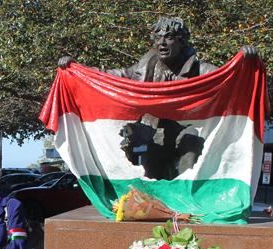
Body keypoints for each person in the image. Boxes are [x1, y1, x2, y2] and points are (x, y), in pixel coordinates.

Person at [58, 16, 260, 180]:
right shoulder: (143, 69)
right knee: (154, 175)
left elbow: (227, 78)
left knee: (189, 156)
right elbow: (113, 75)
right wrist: (78, 70)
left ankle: (186, 201)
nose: (162, 42)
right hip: (152, 130)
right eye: (158, 38)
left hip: (185, 127)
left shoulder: (200, 69)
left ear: (181, 41)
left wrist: (243, 61)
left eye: (169, 37)